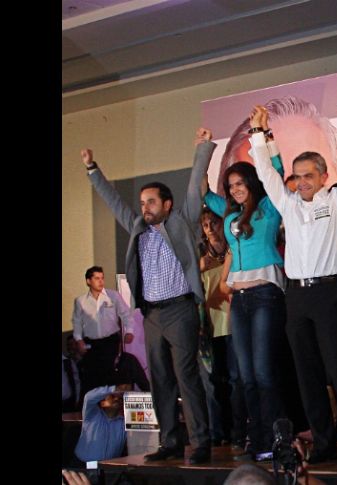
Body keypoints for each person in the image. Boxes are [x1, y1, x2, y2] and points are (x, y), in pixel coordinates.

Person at [249, 95, 337, 464]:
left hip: (329, 294)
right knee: (307, 374)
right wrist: (259, 133)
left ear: (324, 177)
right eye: (298, 176)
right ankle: (324, 443)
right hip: (296, 298)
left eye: (310, 176)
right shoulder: (288, 205)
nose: (302, 182)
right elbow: (265, 175)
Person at [80, 128, 213, 465]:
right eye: (142, 203)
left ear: (167, 204)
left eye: (151, 202)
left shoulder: (181, 222)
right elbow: (113, 201)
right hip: (151, 315)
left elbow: (196, 186)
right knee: (160, 379)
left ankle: (200, 443)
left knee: (186, 375)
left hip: (180, 310)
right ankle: (169, 441)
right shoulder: (138, 229)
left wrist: (201, 149)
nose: (145, 207)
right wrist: (93, 169)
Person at [203, 148, 288, 459]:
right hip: (238, 299)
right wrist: (203, 150)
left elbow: (275, 174)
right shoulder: (228, 213)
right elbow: (202, 191)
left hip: (266, 295)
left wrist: (266, 140)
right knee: (247, 376)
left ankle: (277, 438)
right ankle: (259, 438)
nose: (236, 189)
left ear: (252, 183)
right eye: (231, 185)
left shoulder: (268, 208)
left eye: (241, 183)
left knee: (264, 372)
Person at [197, 208, 248, 450]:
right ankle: (218, 432)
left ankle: (239, 431)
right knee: (214, 382)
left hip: (234, 323)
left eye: (213, 223)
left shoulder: (233, 249)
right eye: (205, 224)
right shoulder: (200, 256)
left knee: (236, 379)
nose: (210, 228)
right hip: (210, 328)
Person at [71, 266, 135, 398]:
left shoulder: (113, 296)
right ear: (88, 281)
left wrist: (129, 331)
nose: (100, 281)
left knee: (109, 373)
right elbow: (77, 322)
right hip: (92, 343)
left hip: (110, 341)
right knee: (92, 376)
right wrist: (79, 340)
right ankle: (93, 407)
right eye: (96, 278)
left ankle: (110, 404)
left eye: (102, 278)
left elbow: (126, 314)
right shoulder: (81, 301)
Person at [73, 383, 133, 463]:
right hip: (83, 465)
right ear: (102, 403)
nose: (117, 399)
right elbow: (89, 397)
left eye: (120, 398)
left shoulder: (123, 423)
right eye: (112, 396)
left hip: (108, 469)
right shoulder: (92, 414)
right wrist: (114, 389)